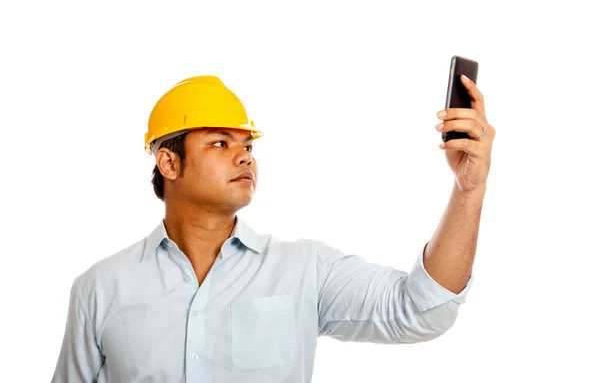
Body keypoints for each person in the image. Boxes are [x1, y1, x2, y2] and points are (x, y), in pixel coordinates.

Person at [52, 75, 495, 382]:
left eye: (247, 145)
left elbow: (422, 310)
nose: (245, 156)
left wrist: (468, 189)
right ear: (168, 162)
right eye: (220, 143)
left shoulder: (304, 270)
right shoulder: (101, 288)